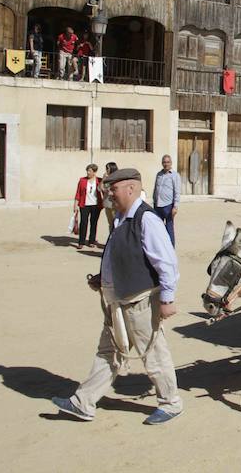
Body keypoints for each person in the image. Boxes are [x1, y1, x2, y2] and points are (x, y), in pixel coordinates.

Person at [52, 168, 183, 425]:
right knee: (108, 353)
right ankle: (83, 402)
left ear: (131, 189)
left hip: (141, 303)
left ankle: (171, 403)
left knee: (153, 354)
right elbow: (119, 256)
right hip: (116, 302)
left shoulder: (147, 219)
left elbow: (167, 263)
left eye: (114, 188)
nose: (110, 193)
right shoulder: (120, 219)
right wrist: (103, 279)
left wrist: (167, 300)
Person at [152, 155, 181, 246]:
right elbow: (155, 189)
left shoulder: (175, 175)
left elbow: (177, 192)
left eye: (168, 162)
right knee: (158, 227)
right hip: (157, 205)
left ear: (171, 163)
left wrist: (175, 207)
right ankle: (161, 246)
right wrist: (154, 201)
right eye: (164, 162)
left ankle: (171, 248)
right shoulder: (159, 174)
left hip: (168, 205)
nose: (166, 164)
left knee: (169, 227)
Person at [73, 164, 103, 249]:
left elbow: (104, 191)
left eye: (90, 171)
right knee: (83, 223)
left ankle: (91, 241)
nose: (88, 172)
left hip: (96, 205)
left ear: (94, 172)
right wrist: (75, 204)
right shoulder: (82, 180)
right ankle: (81, 242)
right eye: (87, 171)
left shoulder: (99, 180)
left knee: (93, 223)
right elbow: (78, 193)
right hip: (84, 205)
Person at [103, 162, 118, 233]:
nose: (106, 170)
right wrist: (103, 179)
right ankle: (111, 240)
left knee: (116, 223)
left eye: (107, 168)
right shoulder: (106, 177)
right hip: (107, 203)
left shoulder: (117, 177)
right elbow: (100, 188)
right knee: (110, 223)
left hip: (114, 203)